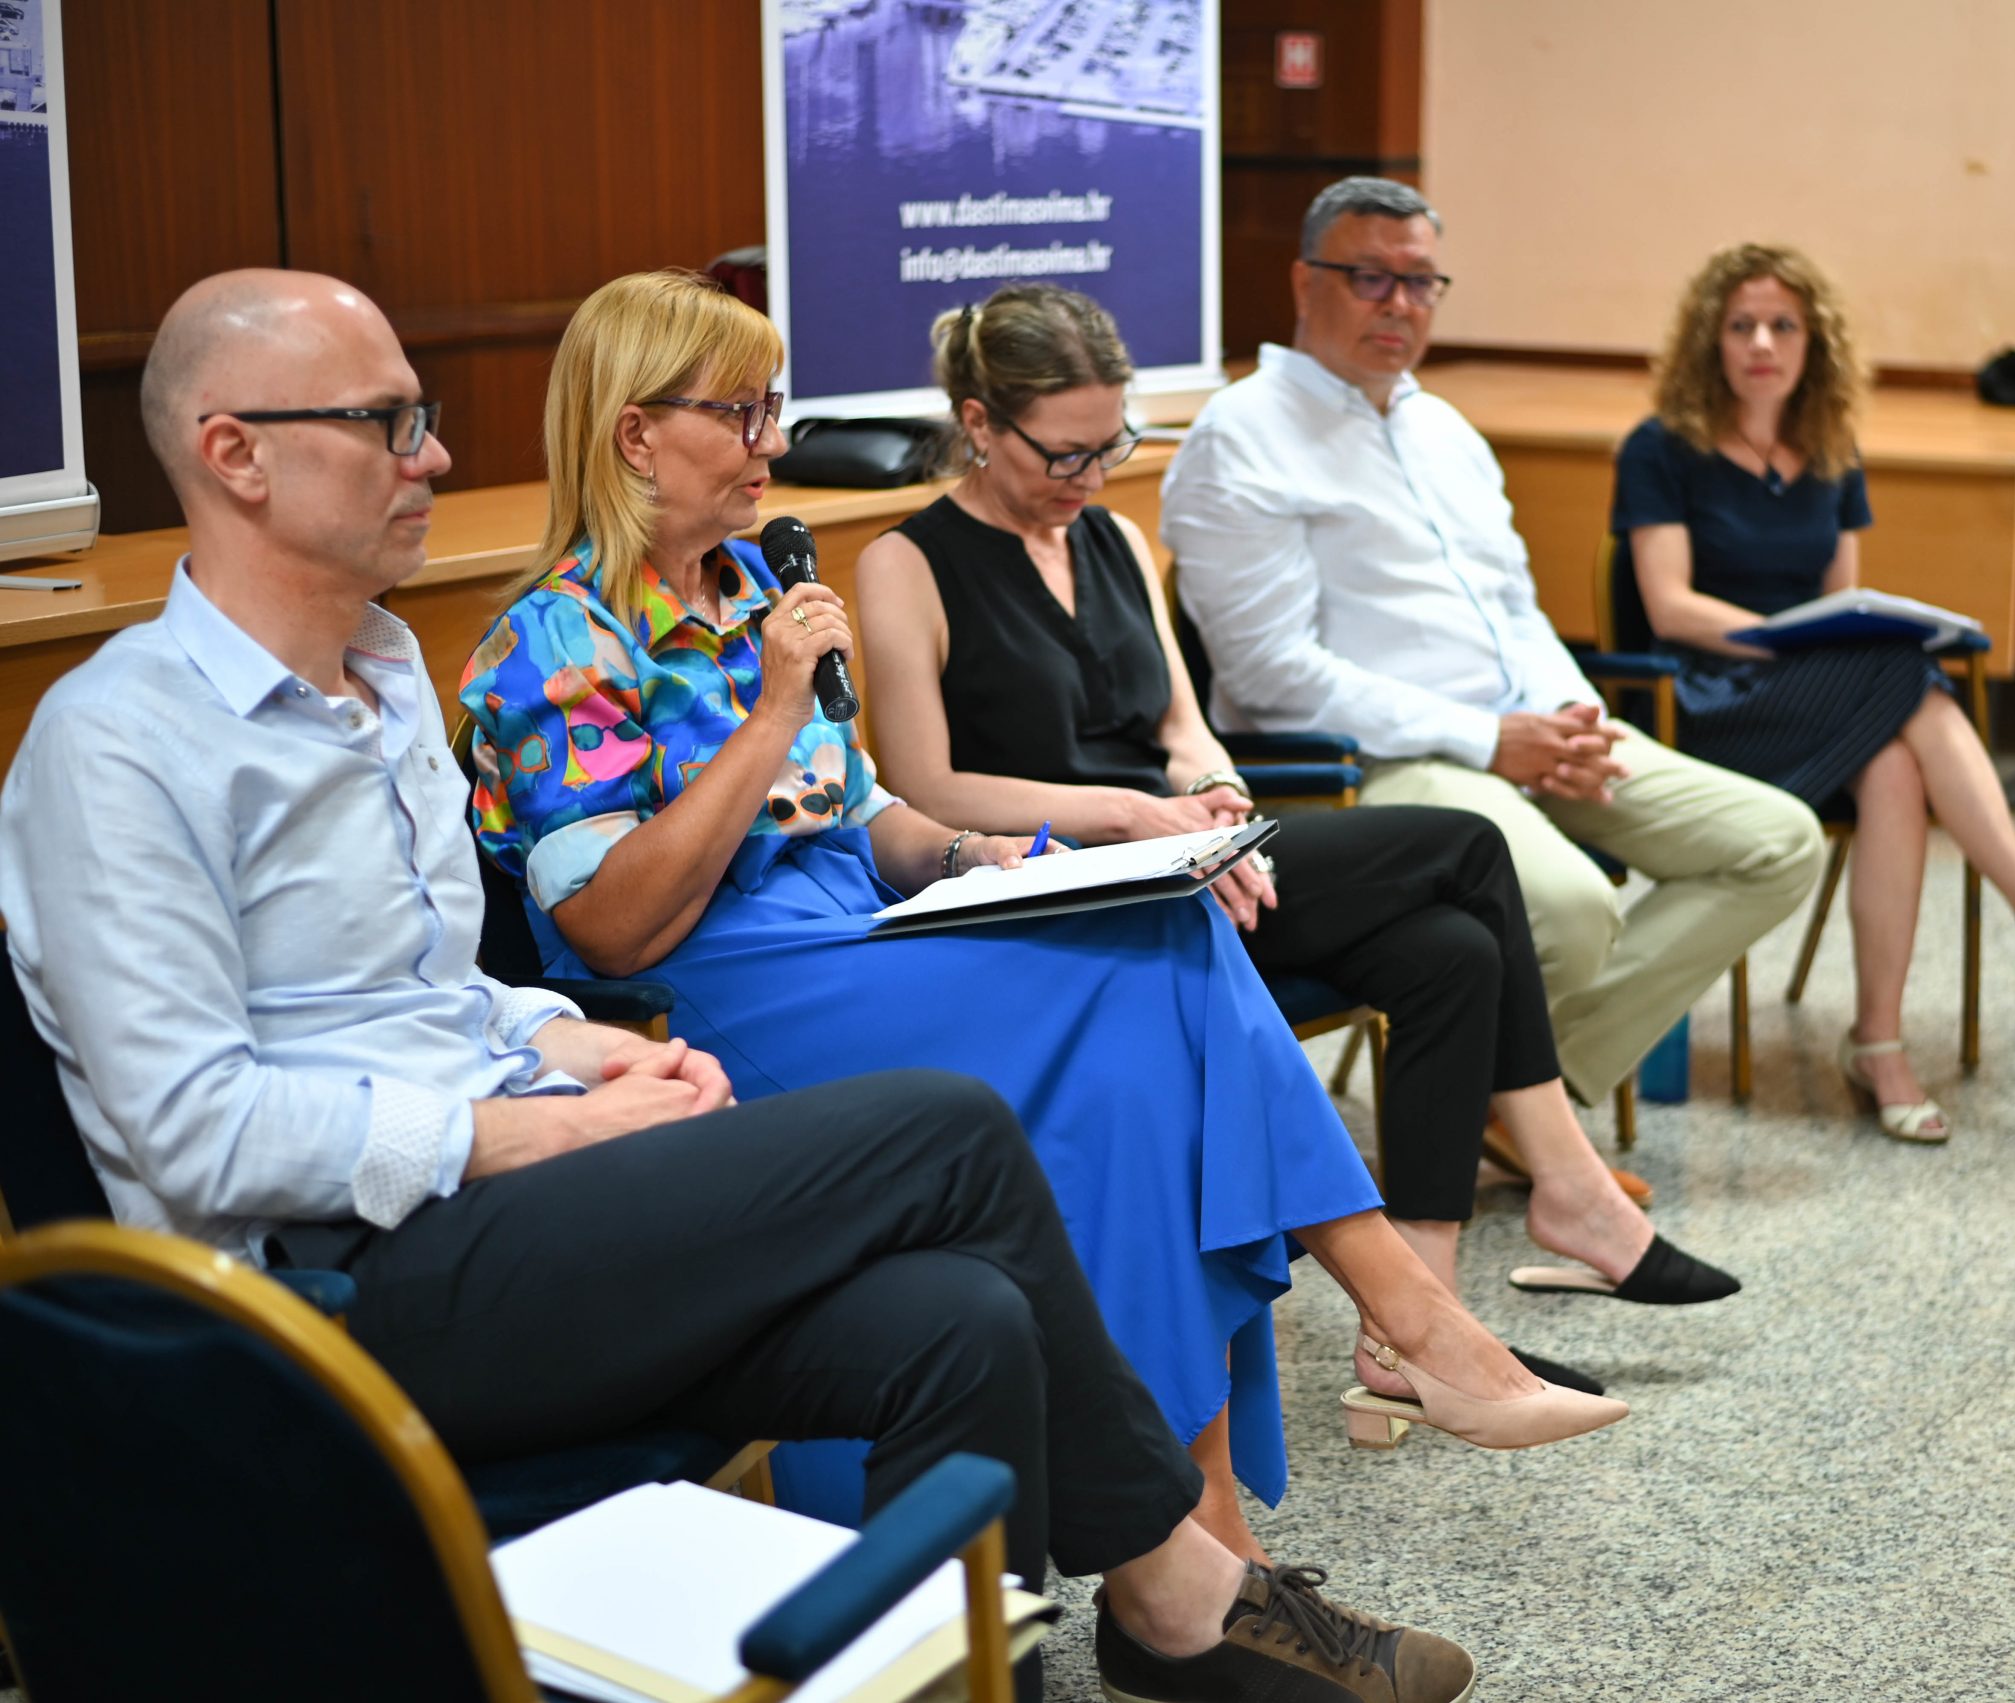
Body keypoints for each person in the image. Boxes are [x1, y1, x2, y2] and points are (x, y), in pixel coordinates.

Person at [0, 268, 1483, 1703]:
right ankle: (1175, 1589)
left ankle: (1076, 1641)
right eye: (388, 421)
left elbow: (447, 991)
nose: (436, 451)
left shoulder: (380, 678)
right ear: (233, 454)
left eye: (422, 409)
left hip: (506, 1194)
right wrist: (530, 1128)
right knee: (947, 1126)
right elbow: (192, 1127)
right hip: (325, 1285)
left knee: (963, 1317)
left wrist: (573, 1049)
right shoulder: (122, 742)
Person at [460, 268, 1625, 1563]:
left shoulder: (748, 585)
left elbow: (865, 818)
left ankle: (1223, 1518)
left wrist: (978, 852)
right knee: (1164, 990)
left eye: (772, 406)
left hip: (852, 924)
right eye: (740, 411)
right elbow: (616, 926)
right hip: (722, 983)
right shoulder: (551, 642)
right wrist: (775, 715)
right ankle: (1393, 1345)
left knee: (1162, 972)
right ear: (635, 433)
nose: (774, 442)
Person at [854, 282, 1743, 1376]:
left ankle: (1412, 1331)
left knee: (1447, 954)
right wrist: (1138, 812)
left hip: (1180, 854)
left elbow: (1181, 722)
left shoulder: (1115, 539)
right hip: (1056, 884)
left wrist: (1214, 796)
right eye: (1063, 454)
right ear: (980, 425)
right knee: (1465, 849)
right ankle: (1568, 1186)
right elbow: (924, 782)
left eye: (1110, 446)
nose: (1089, 478)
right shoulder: (904, 563)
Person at [1161, 178, 1827, 1115]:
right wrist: (1488, 738)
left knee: (1777, 841)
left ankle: (1516, 1101)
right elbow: (1273, 676)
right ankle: (1519, 1111)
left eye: (1423, 282)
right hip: (1384, 760)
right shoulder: (1243, 438)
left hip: (1522, 729)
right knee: (1571, 907)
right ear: (1304, 282)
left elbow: (1517, 609)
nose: (1400, 304)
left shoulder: (1444, 429)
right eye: (1370, 278)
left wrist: (1569, 717)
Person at [1611, 244, 2015, 1141]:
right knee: (1907, 677)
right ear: (1709, 339)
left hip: (1813, 699)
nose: (1761, 342)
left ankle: (1878, 1040)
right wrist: (1778, 637)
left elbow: (1843, 600)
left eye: (1782, 325)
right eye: (1741, 324)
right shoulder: (1660, 448)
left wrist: (1828, 636)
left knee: (1899, 766)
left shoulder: (1829, 449)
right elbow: (1668, 607)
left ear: (1812, 342)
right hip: (1707, 700)